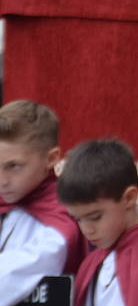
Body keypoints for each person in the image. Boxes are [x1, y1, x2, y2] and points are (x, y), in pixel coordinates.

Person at [58, 138, 138, 306]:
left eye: (95, 217)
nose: (87, 229)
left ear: (129, 198)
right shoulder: (90, 264)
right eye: (78, 219)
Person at [0, 101, 84, 304]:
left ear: (51, 158)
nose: (2, 180)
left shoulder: (62, 223)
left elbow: (8, 278)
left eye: (14, 166)